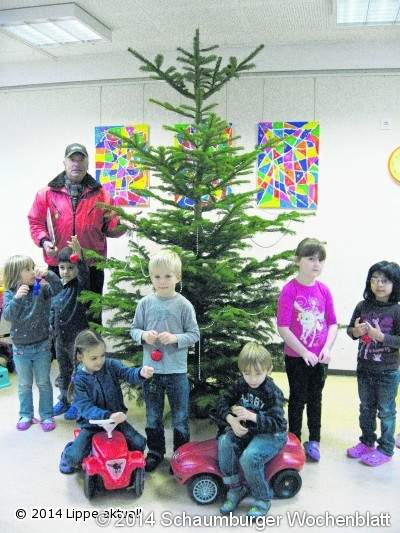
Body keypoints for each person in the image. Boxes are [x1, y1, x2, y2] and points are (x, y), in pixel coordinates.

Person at [130, 249, 200, 472]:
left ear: (177, 277)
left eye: (168, 276)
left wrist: (175, 338)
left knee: (180, 417)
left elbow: (194, 334)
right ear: (151, 278)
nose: (162, 281)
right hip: (151, 372)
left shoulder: (184, 305)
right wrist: (143, 335)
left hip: (177, 372)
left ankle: (180, 456)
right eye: (157, 276)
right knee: (153, 416)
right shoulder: (145, 303)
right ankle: (155, 452)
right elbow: (134, 330)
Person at [28, 143, 126, 298]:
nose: (76, 164)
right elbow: (36, 223)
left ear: (87, 163)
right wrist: (44, 242)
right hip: (59, 266)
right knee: (58, 310)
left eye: (81, 159)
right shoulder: (45, 194)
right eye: (72, 159)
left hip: (91, 266)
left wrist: (123, 224)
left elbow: (111, 226)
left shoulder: (102, 195)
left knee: (91, 311)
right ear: (64, 163)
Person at [59, 330, 154, 474]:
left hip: (116, 422)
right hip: (92, 425)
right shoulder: (79, 380)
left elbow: (127, 373)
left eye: (102, 355)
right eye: (94, 358)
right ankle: (68, 450)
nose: (100, 361)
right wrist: (108, 415)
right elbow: (86, 408)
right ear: (80, 356)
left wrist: (140, 373)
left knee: (139, 444)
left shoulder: (110, 365)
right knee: (74, 459)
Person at [277, 238, 337, 461]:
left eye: (320, 260)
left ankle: (314, 441)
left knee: (315, 399)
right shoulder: (289, 290)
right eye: (311, 259)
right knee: (297, 398)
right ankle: (293, 440)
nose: (316, 264)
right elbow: (283, 327)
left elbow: (332, 323)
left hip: (319, 359)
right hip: (296, 357)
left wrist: (327, 348)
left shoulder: (324, 290)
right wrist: (303, 352)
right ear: (297, 260)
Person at [215, 342, 287, 518]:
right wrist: (231, 420)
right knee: (224, 442)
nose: (252, 379)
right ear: (242, 372)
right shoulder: (241, 384)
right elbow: (221, 402)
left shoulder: (272, 392)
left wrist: (251, 416)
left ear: (268, 370)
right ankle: (236, 489)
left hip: (272, 434)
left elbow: (277, 423)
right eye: (247, 373)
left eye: (258, 373)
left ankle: (262, 498)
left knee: (249, 457)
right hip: (250, 430)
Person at [346, 261, 400, 466]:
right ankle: (367, 442)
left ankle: (385, 449)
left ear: (395, 284)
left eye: (385, 281)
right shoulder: (362, 306)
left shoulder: (397, 310)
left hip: (388, 372)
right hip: (364, 368)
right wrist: (355, 331)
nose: (379, 284)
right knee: (366, 408)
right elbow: (350, 331)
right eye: (375, 279)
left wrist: (381, 337)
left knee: (386, 411)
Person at [3, 255, 62, 431]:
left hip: (42, 345)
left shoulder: (41, 288)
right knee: (24, 384)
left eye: (32, 267)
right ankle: (26, 414)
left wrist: (48, 274)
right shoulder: (10, 293)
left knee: (44, 383)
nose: (32, 271)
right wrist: (16, 299)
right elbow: (7, 316)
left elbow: (59, 289)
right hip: (20, 349)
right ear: (16, 274)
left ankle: (46, 415)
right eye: (28, 269)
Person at [51, 235, 89, 420]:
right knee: (64, 371)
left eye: (70, 268)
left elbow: (84, 274)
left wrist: (79, 258)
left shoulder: (79, 286)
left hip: (76, 339)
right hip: (60, 339)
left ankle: (76, 402)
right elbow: (53, 311)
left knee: (77, 373)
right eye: (62, 268)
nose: (65, 272)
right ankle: (64, 400)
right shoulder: (58, 288)